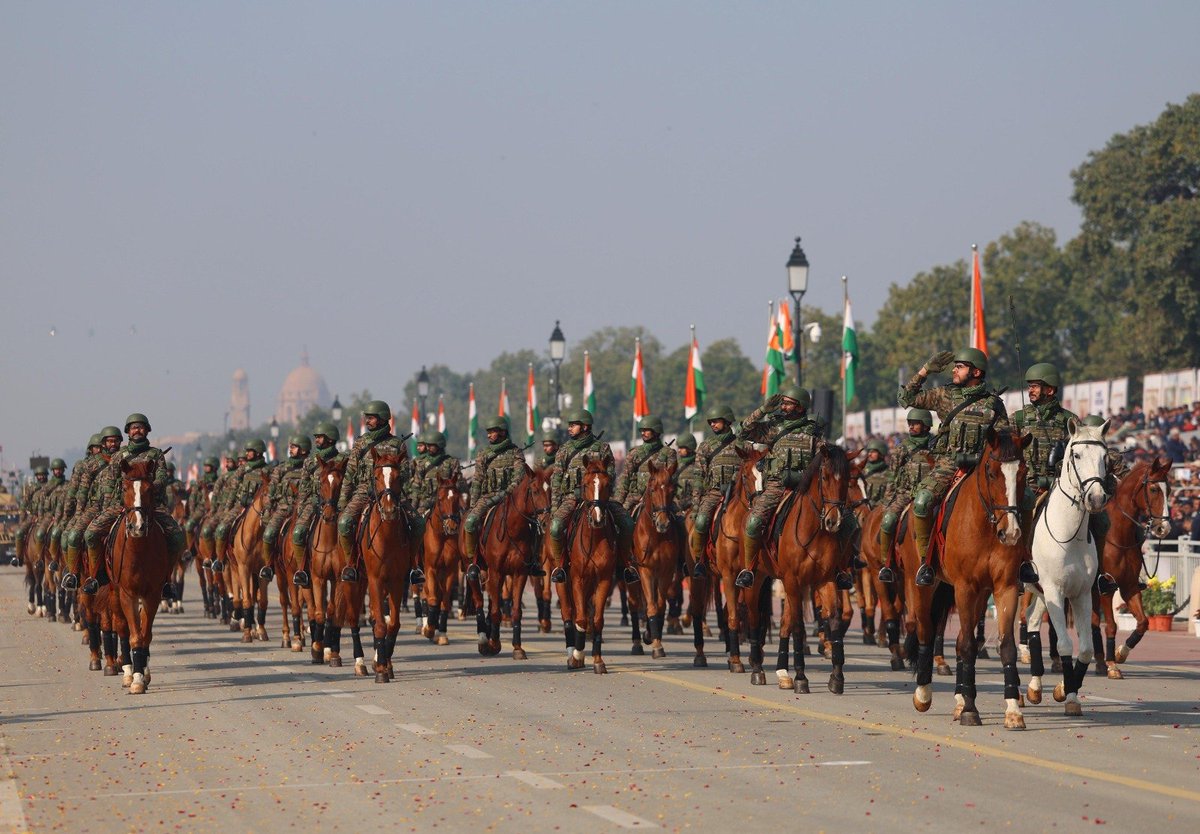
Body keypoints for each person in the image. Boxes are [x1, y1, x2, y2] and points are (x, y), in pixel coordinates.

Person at [899, 348, 1009, 587]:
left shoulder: (994, 403)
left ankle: (1022, 563)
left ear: (976, 371)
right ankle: (926, 562)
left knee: (1022, 500)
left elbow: (1005, 439)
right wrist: (925, 370)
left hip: (985, 467)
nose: (954, 370)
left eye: (960, 366)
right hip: (949, 462)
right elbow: (906, 399)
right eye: (954, 366)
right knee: (922, 502)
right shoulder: (944, 395)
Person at [82, 414, 186, 598]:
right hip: (120, 506)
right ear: (128, 432)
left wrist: (146, 489)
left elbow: (162, 477)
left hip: (152, 506)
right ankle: (96, 576)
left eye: (141, 427)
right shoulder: (119, 456)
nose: (137, 430)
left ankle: (166, 580)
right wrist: (109, 507)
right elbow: (109, 484)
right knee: (91, 534)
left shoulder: (156, 455)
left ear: (147, 430)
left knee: (177, 537)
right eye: (133, 428)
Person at [737, 385, 828, 589]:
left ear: (800, 407)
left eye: (788, 403)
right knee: (753, 522)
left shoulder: (814, 432)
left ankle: (840, 569)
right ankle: (749, 569)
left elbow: (825, 459)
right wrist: (763, 410)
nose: (784, 406)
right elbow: (742, 432)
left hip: (807, 488)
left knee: (843, 519)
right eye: (784, 403)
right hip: (777, 487)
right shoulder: (773, 428)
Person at [546, 408, 637, 585]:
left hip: (599, 499)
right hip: (571, 498)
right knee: (556, 527)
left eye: (573, 425)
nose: (570, 429)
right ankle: (560, 566)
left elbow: (610, 476)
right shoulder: (564, 450)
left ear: (585, 426)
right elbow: (556, 481)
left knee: (627, 523)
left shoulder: (602, 448)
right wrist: (556, 507)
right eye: (569, 425)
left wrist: (602, 493)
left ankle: (624, 565)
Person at [1012, 362, 1078, 585]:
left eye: (1035, 386)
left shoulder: (1069, 421)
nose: (1030, 390)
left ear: (1050, 390)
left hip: (1062, 487)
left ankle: (1100, 573)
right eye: (1029, 386)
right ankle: (1018, 566)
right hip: (1027, 486)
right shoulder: (1019, 419)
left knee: (1101, 520)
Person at [337, 401, 414, 584]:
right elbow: (350, 474)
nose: (367, 421)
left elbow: (406, 473)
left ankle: (414, 565)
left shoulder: (397, 444)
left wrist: (406, 497)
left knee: (418, 524)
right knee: (345, 523)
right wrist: (343, 501)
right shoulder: (361, 443)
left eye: (371, 418)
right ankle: (351, 564)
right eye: (367, 418)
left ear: (382, 419)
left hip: (392, 494)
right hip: (364, 492)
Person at [463, 415, 542, 582]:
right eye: (488, 432)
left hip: (511, 499)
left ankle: (534, 561)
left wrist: (506, 493)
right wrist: (473, 504)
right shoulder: (484, 454)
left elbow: (519, 478)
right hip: (488, 497)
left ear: (502, 432)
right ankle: (474, 562)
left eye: (492, 431)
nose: (489, 435)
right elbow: (477, 480)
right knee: (470, 523)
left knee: (536, 525)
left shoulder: (515, 453)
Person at [875, 409, 935, 583]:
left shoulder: (936, 445)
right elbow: (892, 476)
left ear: (925, 425)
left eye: (915, 423)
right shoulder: (902, 448)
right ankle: (886, 565)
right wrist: (887, 502)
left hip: (931, 493)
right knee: (888, 521)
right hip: (905, 493)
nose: (911, 426)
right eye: (910, 423)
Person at [62, 427, 122, 590]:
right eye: (110, 440)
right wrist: (78, 513)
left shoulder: (126, 459)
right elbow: (81, 492)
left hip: (123, 506)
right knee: (74, 536)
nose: (113, 443)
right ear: (103, 443)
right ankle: (73, 575)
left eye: (116, 440)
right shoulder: (92, 465)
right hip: (96, 506)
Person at [689, 405, 744, 578]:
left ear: (727, 421)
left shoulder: (740, 444)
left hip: (738, 494)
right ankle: (700, 561)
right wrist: (696, 506)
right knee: (701, 522)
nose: (713, 424)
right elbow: (699, 477)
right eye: (711, 422)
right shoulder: (705, 446)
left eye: (716, 421)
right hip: (713, 493)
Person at [289, 422, 345, 588]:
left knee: (354, 529)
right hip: (314, 504)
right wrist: (307, 504)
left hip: (338, 504)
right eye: (316, 437)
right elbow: (305, 488)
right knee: (298, 532)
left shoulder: (342, 460)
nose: (317, 440)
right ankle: (301, 570)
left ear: (329, 439)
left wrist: (341, 502)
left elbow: (349, 483)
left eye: (319, 437)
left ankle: (352, 567)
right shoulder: (310, 462)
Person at [260, 435, 311, 578]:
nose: (291, 449)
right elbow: (271, 491)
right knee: (269, 534)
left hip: (306, 509)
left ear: (303, 449)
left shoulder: (312, 466)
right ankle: (269, 566)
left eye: (294, 446)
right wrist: (268, 509)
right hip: (283, 509)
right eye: (291, 446)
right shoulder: (282, 468)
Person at [613, 414, 678, 514]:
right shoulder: (634, 453)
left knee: (680, 522)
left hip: (662, 498)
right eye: (641, 430)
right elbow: (625, 479)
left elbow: (672, 480)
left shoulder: (668, 453)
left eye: (646, 430)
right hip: (635, 498)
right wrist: (617, 502)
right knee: (619, 521)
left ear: (656, 431)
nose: (643, 433)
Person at [861, 439, 890, 505]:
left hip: (880, 510)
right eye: (868, 452)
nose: (870, 454)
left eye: (873, 452)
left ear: (881, 453)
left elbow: (890, 496)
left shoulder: (889, 473)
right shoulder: (863, 471)